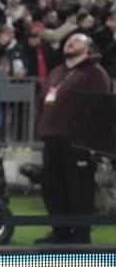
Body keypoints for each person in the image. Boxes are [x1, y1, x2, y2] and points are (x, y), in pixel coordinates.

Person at [34, 32, 111, 244]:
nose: (70, 41)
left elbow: (98, 109)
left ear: (88, 48)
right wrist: (41, 125)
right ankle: (60, 232)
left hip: (78, 143)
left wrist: (88, 138)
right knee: (52, 189)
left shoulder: (95, 73)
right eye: (69, 39)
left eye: (77, 40)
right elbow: (42, 102)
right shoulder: (57, 71)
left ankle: (79, 235)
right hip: (52, 139)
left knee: (79, 190)